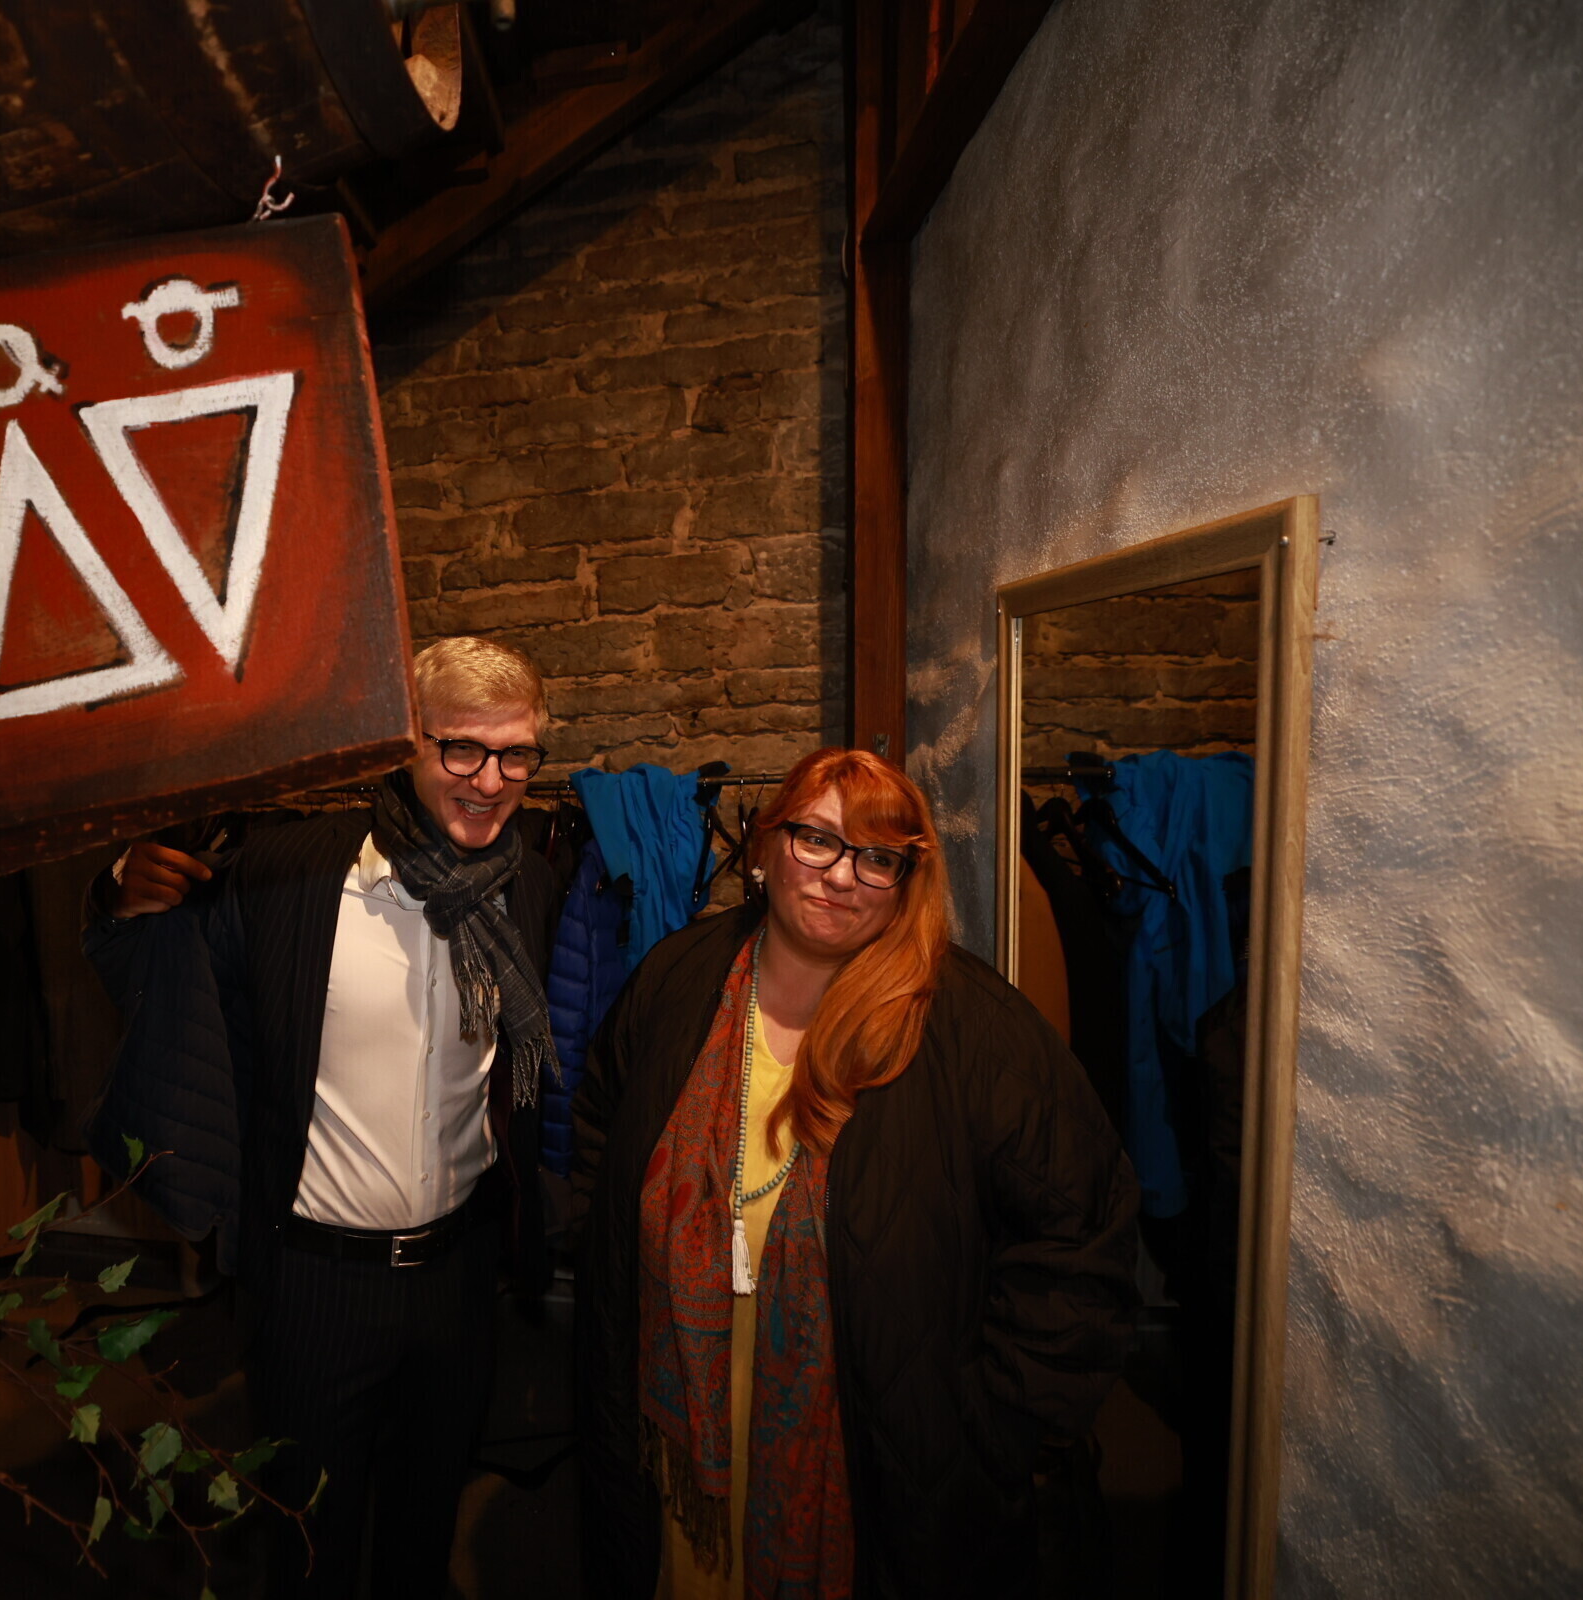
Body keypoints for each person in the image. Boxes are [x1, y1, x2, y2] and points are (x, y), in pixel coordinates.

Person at [572, 747, 1139, 1599]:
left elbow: (1084, 1232)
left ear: (906, 880)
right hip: (678, 1437)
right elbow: (600, 1130)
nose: (841, 875)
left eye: (877, 857)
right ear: (766, 845)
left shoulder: (974, 1029)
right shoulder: (679, 979)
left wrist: (990, 1431)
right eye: (817, 840)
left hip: (875, 1469)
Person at [87, 636, 562, 1599]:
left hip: (458, 1280)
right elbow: (163, 982)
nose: (490, 781)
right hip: (315, 1285)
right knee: (308, 1547)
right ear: (405, 742)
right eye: (462, 750)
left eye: (516, 754)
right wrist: (121, 896)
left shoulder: (530, 886)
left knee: (425, 1531)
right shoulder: (287, 877)